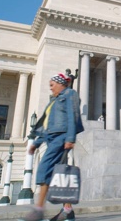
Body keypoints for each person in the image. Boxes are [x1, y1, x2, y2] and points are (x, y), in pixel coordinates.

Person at [21, 72, 84, 221]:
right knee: (58, 175)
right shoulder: (53, 101)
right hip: (52, 137)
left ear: (60, 83)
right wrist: (36, 143)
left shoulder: (69, 94)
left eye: (52, 85)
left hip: (61, 137)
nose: (50, 88)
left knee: (44, 168)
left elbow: (72, 116)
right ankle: (67, 210)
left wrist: (70, 137)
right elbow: (46, 125)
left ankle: (38, 210)